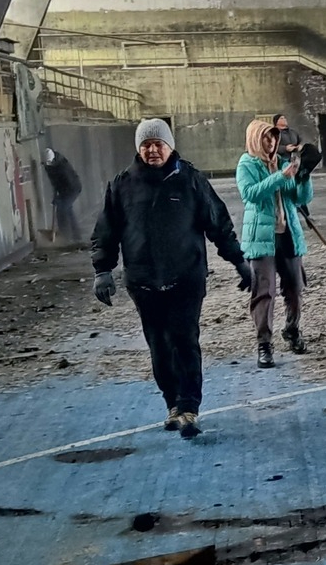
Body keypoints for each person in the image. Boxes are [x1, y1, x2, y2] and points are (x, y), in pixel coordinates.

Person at [90, 119, 249, 439]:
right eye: (146, 144)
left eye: (158, 143)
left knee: (184, 340)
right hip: (143, 281)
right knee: (159, 347)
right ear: (139, 148)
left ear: (170, 145)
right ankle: (173, 404)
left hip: (186, 277)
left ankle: (189, 406)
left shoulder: (191, 181)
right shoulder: (122, 185)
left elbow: (218, 223)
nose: (152, 149)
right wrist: (102, 270)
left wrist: (239, 261)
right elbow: (106, 232)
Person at [238, 119, 313, 366]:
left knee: (294, 287)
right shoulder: (246, 164)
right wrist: (280, 177)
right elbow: (251, 194)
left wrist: (303, 177)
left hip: (288, 235)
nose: (270, 143)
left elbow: (300, 198)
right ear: (254, 140)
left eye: (273, 138)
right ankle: (264, 344)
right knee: (264, 293)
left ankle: (292, 329)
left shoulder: (282, 163)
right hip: (261, 238)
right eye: (265, 138)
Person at [43, 146, 83, 241]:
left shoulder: (63, 168)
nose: (48, 165)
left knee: (63, 208)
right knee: (66, 209)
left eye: (50, 163)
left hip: (73, 188)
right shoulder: (49, 165)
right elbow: (55, 181)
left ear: (53, 160)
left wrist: (59, 197)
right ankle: (73, 236)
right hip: (64, 189)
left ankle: (67, 235)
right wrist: (56, 195)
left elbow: (68, 185)